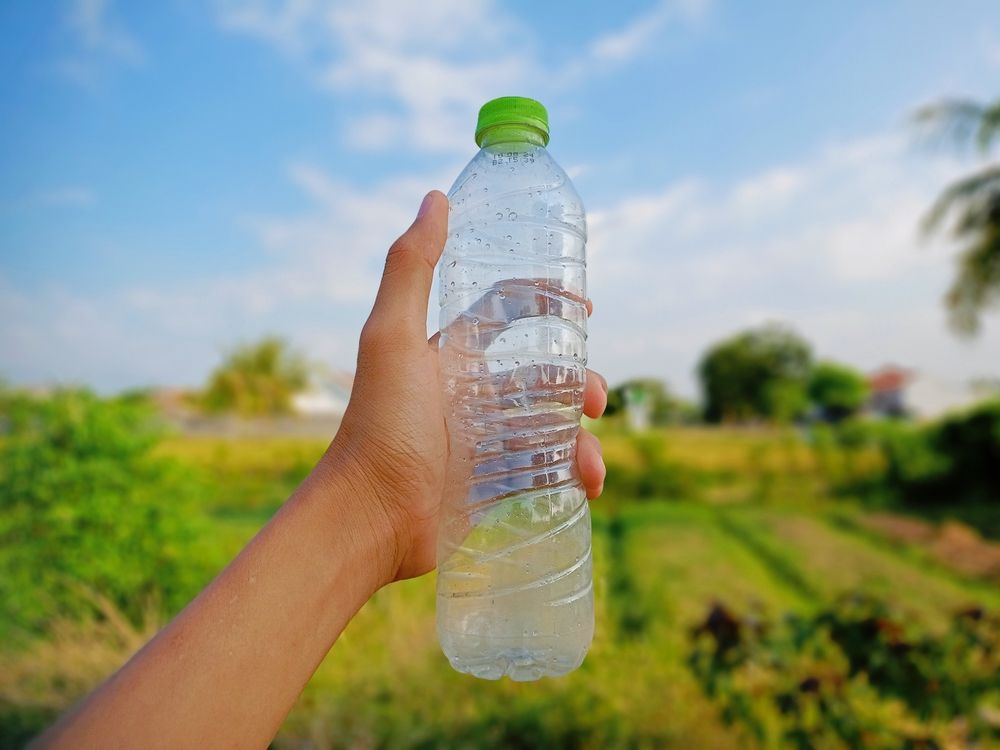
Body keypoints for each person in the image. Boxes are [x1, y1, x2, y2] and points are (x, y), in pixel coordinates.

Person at [34, 191, 608, 749]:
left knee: (558, 436)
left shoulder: (542, 197)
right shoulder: (526, 198)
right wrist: (378, 491)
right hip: (464, 568)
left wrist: (383, 503)